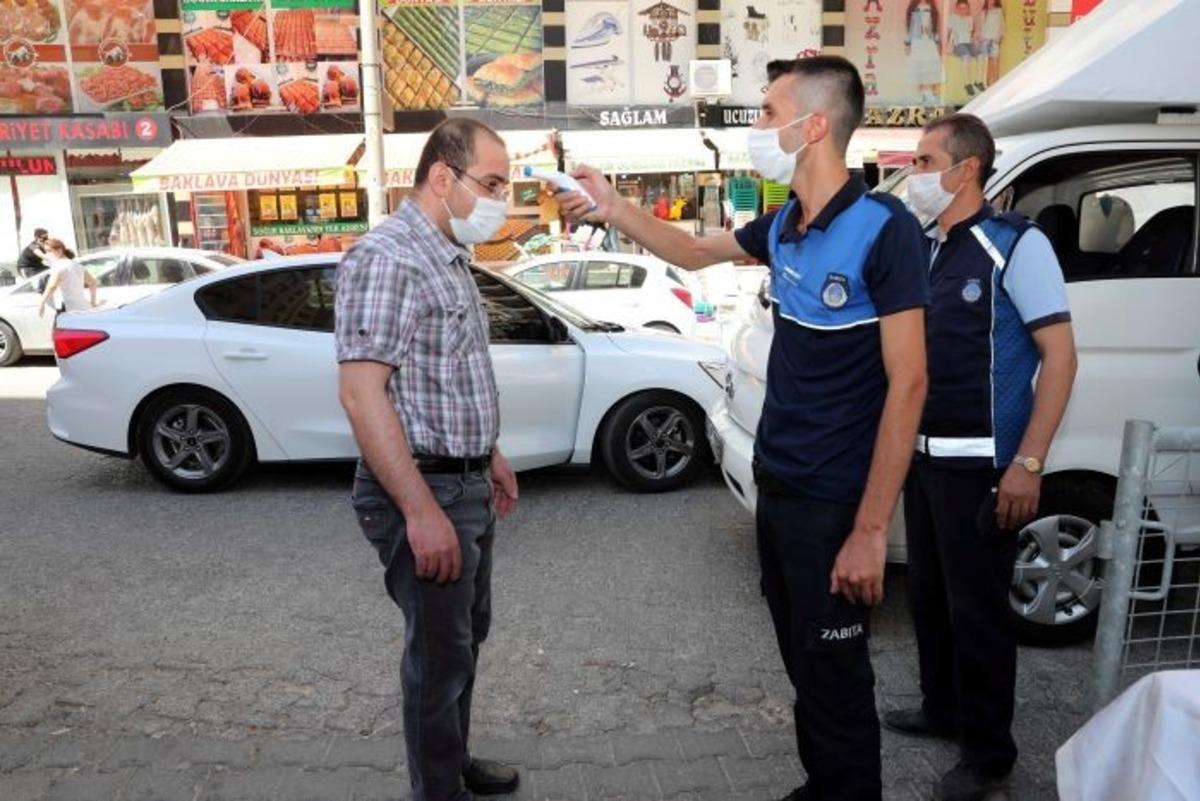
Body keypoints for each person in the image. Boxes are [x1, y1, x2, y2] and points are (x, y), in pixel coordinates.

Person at [558, 56, 929, 801]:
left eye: (767, 111)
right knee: (802, 661)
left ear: (813, 125)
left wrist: (869, 529)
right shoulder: (786, 223)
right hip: (780, 483)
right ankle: (824, 783)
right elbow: (695, 252)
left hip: (836, 500)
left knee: (836, 670)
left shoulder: (882, 229)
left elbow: (910, 382)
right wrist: (613, 205)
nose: (758, 125)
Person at [884, 113, 1077, 801]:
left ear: (966, 169)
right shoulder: (927, 249)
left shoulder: (1015, 245)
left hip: (985, 467)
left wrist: (1028, 462)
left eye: (926, 159)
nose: (916, 173)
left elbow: (1059, 356)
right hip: (926, 459)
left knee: (979, 613)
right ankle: (943, 708)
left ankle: (989, 754)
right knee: (930, 598)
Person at [334, 118, 521, 801]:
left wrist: (488, 451)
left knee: (464, 640)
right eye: (492, 184)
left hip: (462, 478)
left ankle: (452, 759)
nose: (502, 199)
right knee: (438, 657)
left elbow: (446, 375)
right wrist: (420, 510)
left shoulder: (446, 253)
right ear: (442, 177)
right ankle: (438, 790)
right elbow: (362, 392)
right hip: (426, 490)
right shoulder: (389, 257)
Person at [37, 239, 96, 317]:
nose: (47, 254)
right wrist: (93, 302)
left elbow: (52, 286)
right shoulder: (77, 265)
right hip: (83, 306)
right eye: (46, 251)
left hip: (67, 308)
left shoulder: (58, 266)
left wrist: (41, 303)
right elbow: (92, 283)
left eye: (49, 251)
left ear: (59, 250)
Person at [905, 0, 944, 106]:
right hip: (917, 41)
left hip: (929, 41)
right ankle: (919, 93)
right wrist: (907, 43)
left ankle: (928, 91)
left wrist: (937, 42)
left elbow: (936, 27)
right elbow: (908, 27)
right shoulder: (913, 8)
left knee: (930, 65)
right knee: (918, 65)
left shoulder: (932, 8)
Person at [947, 0, 983, 98]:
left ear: (968, 8)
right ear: (956, 9)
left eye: (965, 8)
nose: (963, 10)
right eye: (960, 8)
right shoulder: (953, 18)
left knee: (980, 55)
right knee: (966, 56)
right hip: (958, 44)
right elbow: (950, 32)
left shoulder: (970, 19)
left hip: (968, 43)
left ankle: (978, 81)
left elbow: (970, 33)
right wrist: (948, 44)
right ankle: (967, 84)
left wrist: (975, 42)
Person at [980, 0, 1005, 87]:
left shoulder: (999, 11)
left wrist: (999, 37)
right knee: (985, 64)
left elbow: (1002, 25)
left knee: (995, 64)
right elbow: (980, 26)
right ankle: (987, 85)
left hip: (994, 39)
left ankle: (996, 85)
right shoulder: (983, 11)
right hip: (984, 39)